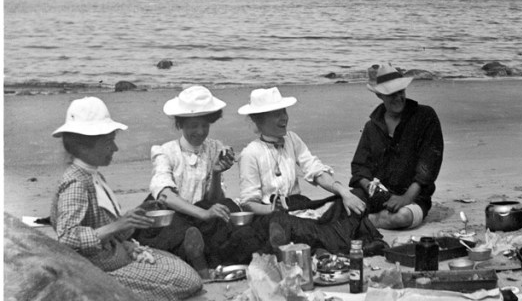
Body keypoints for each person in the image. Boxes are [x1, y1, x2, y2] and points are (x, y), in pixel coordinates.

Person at [50, 97, 204, 301]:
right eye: (109, 142)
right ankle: (95, 292)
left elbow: (105, 226)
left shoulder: (92, 175)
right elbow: (67, 238)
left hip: (115, 254)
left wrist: (132, 219)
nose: (115, 148)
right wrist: (118, 225)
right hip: (98, 266)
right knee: (186, 280)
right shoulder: (76, 183)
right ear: (84, 146)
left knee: (181, 269)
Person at [237, 87, 386, 255]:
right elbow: (248, 203)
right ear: (258, 120)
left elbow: (315, 170)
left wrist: (345, 193)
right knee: (282, 223)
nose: (284, 117)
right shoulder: (250, 153)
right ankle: (340, 241)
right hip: (271, 214)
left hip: (299, 206)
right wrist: (272, 210)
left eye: (284, 111)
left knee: (356, 196)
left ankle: (326, 242)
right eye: (276, 114)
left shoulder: (292, 139)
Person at [144, 85, 273, 271]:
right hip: (176, 215)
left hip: (205, 217)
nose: (200, 131)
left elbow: (213, 200)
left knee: (228, 206)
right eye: (193, 126)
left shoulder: (214, 148)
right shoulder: (165, 151)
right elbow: (165, 195)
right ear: (180, 124)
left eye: (205, 125)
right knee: (179, 228)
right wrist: (203, 214)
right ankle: (198, 257)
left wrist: (216, 173)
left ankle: (204, 253)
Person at [349, 62, 444, 230]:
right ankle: (364, 220)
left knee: (402, 217)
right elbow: (359, 168)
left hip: (414, 198)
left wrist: (406, 198)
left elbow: (429, 165)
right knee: (341, 204)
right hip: (376, 196)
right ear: (379, 95)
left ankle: (363, 222)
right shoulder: (371, 127)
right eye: (391, 94)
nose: (398, 97)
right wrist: (372, 189)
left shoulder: (425, 116)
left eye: (401, 91)